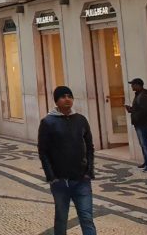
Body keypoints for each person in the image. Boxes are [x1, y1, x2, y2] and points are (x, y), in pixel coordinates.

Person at [37, 86, 95, 235]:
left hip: (81, 180)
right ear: (56, 101)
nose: (67, 99)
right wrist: (51, 176)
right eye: (63, 96)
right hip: (61, 181)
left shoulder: (81, 120)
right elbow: (43, 151)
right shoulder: (48, 122)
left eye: (70, 96)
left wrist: (89, 171)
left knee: (87, 218)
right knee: (61, 219)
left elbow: (89, 147)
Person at [125, 77, 147, 171]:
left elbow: (144, 111)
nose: (131, 86)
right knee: (143, 143)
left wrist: (132, 111)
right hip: (140, 122)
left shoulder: (143, 96)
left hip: (142, 123)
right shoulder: (139, 94)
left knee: (145, 143)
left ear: (138, 85)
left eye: (133, 84)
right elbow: (140, 109)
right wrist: (132, 110)